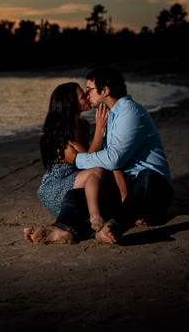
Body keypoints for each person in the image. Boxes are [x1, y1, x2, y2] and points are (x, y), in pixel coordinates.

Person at [25, 66, 173, 245]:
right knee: (76, 195)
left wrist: (76, 159)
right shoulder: (109, 116)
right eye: (84, 92)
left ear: (105, 90)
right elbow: (107, 163)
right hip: (125, 191)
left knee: (147, 175)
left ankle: (116, 224)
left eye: (89, 90)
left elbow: (113, 159)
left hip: (153, 193)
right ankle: (60, 228)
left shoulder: (130, 112)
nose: (87, 95)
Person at [25, 82, 125, 244]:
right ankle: (95, 218)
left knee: (104, 176)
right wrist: (100, 129)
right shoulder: (65, 130)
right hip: (57, 185)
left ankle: (63, 231)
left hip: (78, 181)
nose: (87, 96)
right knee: (97, 171)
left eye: (86, 92)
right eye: (82, 96)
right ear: (71, 104)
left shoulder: (83, 125)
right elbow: (89, 161)